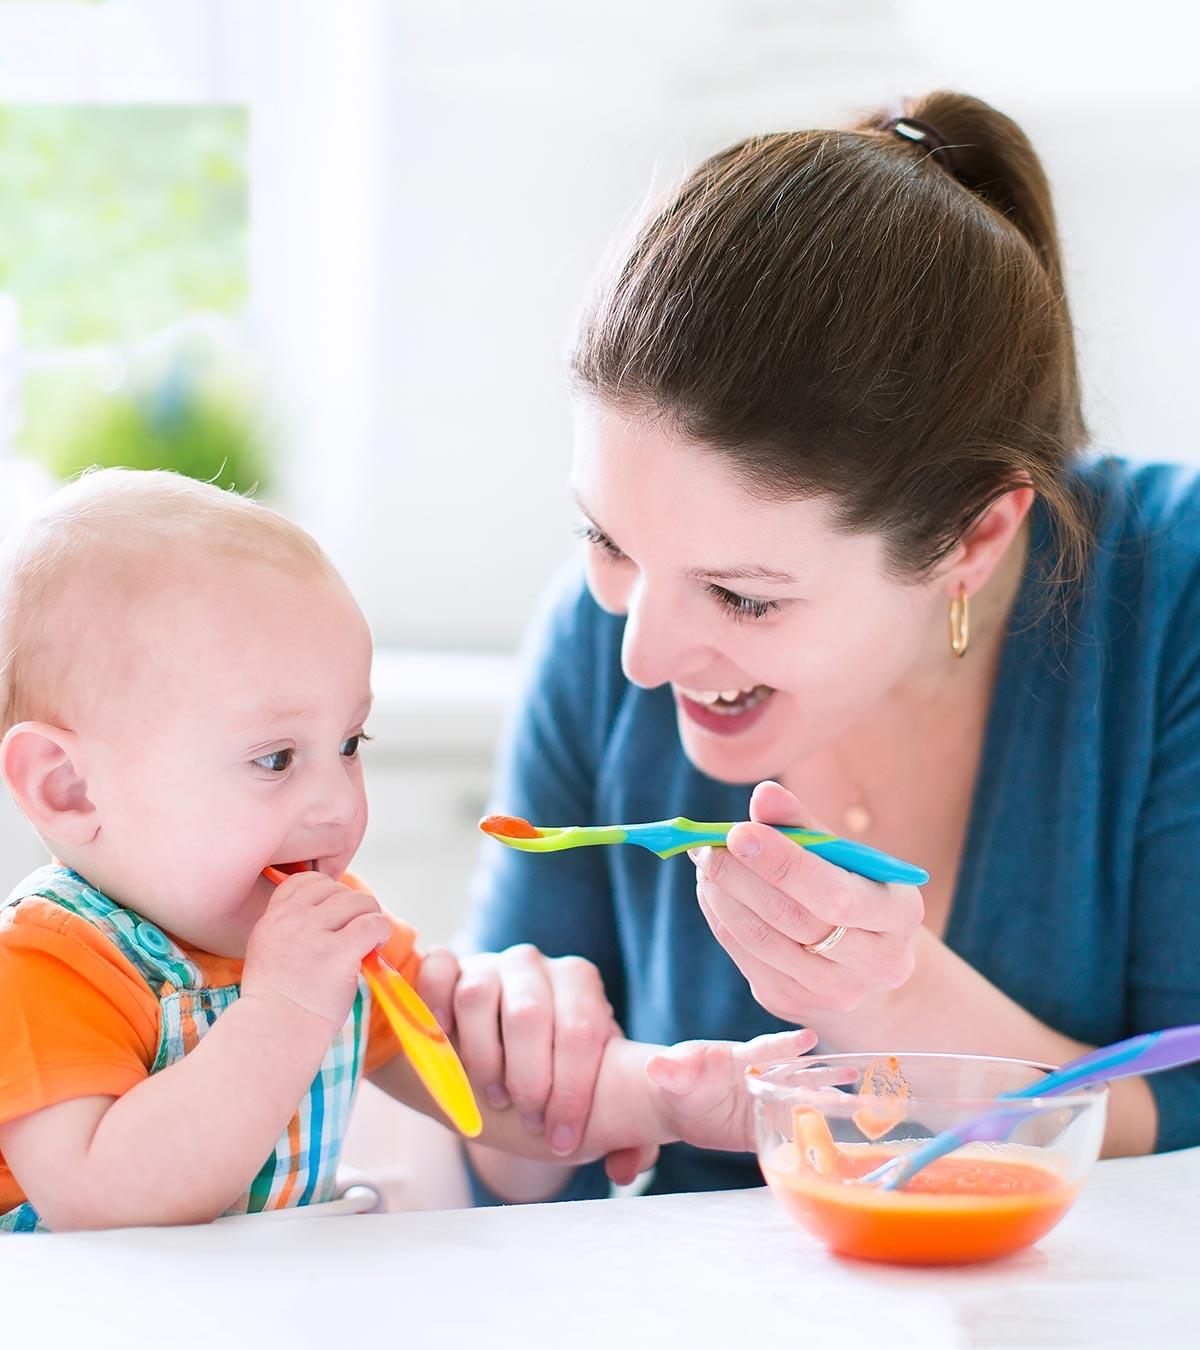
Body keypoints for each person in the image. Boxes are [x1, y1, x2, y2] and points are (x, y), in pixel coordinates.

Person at [439, 89, 1200, 1204]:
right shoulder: (595, 629)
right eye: (606, 538)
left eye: (742, 598)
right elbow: (516, 1186)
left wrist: (888, 1005)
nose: (641, 654)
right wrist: (515, 1083)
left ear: (976, 539)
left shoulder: (1170, 604)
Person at [0, 468, 814, 1231]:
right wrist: (283, 1013)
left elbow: (492, 1086)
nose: (337, 803)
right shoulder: (48, 966)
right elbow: (103, 1200)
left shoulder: (330, 937)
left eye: (350, 743)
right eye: (275, 758)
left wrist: (669, 1093)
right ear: (68, 787)